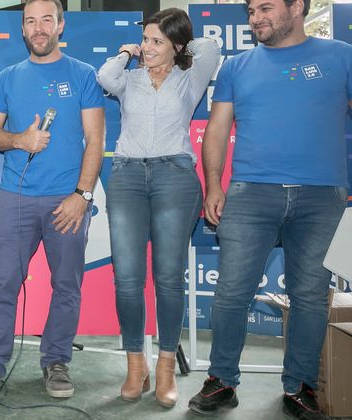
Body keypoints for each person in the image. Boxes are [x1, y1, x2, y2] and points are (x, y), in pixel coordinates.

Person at [187, 0, 351, 418]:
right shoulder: (236, 67)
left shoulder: (341, 56)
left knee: (311, 297)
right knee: (231, 293)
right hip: (250, 193)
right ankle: (221, 380)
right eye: (250, 11)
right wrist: (213, 186)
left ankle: (300, 387)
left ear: (297, 7)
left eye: (265, 8)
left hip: (322, 197)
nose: (255, 17)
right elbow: (218, 129)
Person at [0, 0, 105, 399]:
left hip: (67, 201)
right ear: (22, 30)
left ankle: (56, 361)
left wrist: (82, 195)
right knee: (3, 282)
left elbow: (96, 140)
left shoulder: (83, 75)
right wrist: (19, 140)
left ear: (61, 25)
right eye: (31, 21)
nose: (38, 28)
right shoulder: (8, 78)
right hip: (15, 199)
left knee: (67, 286)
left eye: (46, 20)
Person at [96, 8, 220, 407]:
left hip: (175, 177)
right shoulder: (129, 78)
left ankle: (166, 366)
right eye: (145, 39)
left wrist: (178, 38)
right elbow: (104, 78)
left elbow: (210, 48)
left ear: (176, 47)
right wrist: (127, 52)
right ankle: (137, 365)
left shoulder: (189, 78)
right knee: (127, 279)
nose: (147, 48)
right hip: (128, 176)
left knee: (169, 278)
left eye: (156, 42)